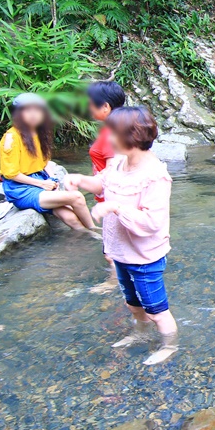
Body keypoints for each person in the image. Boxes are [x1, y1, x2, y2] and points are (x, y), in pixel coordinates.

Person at [64, 106, 179, 365]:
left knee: (157, 311)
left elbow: (152, 222)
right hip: (120, 252)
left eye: (112, 133)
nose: (108, 139)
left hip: (145, 256)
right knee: (132, 304)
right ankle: (140, 333)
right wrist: (80, 180)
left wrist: (115, 207)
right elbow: (102, 184)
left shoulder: (155, 177)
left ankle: (170, 346)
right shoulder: (118, 163)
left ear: (132, 136)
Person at [0, 93, 96, 230]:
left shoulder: (40, 133)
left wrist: (51, 179)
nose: (33, 115)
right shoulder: (12, 137)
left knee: (70, 218)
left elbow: (45, 162)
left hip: (40, 181)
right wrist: (42, 183)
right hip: (20, 189)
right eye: (27, 110)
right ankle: (94, 228)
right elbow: (11, 174)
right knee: (77, 197)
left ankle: (90, 239)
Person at [86, 81, 127, 195]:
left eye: (91, 104)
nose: (89, 108)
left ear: (105, 106)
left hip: (110, 198)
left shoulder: (110, 133)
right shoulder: (122, 127)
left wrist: (81, 181)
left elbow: (112, 170)